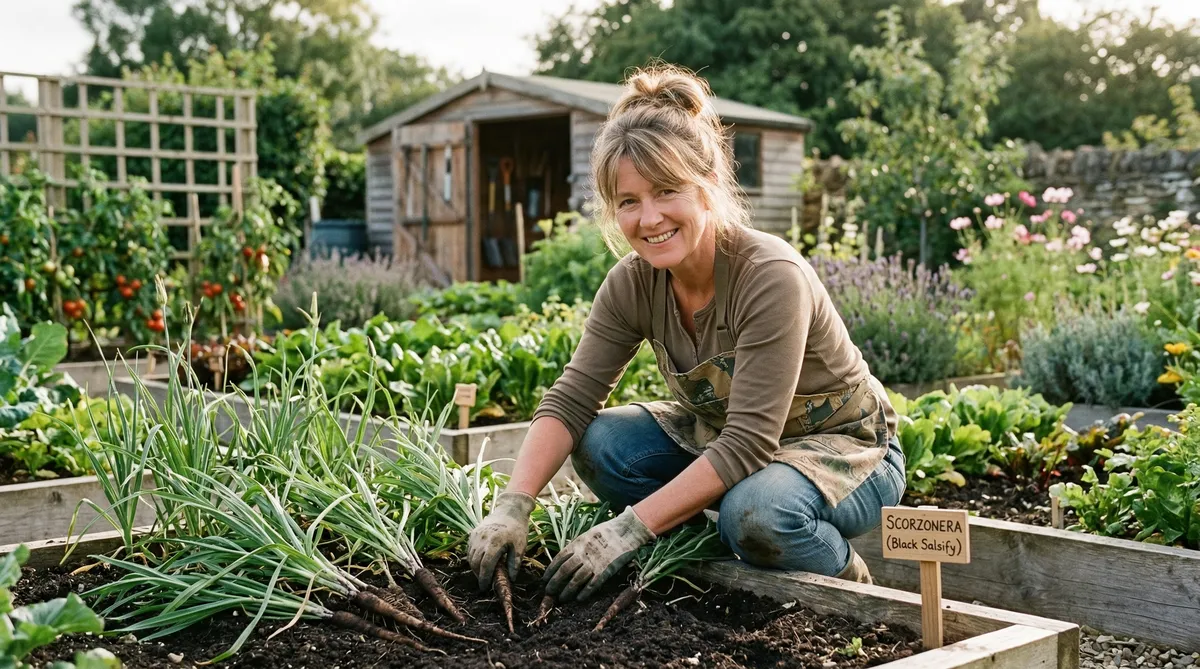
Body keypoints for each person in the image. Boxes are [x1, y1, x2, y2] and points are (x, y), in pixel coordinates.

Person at [467, 65, 905, 603]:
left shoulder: (768, 275)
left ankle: (854, 587)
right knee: (601, 443)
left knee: (758, 513)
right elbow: (572, 398)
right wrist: (515, 503)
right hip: (725, 442)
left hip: (847, 450)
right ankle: (708, 554)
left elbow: (749, 442)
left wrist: (627, 530)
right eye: (628, 201)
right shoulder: (633, 283)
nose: (648, 219)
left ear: (707, 187)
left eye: (667, 191)